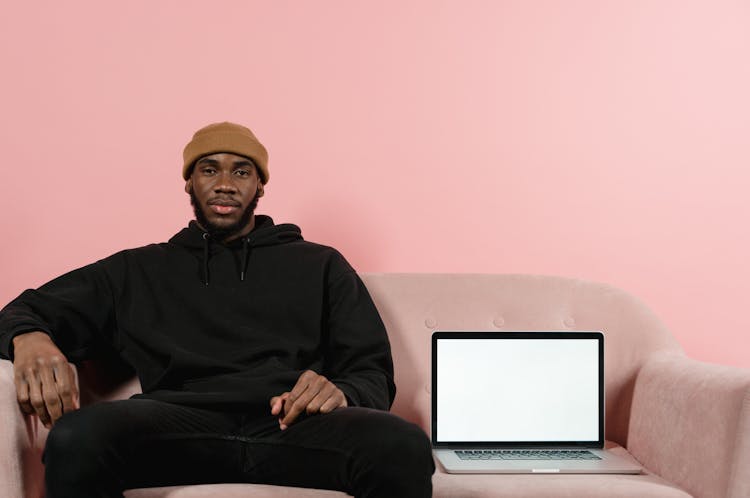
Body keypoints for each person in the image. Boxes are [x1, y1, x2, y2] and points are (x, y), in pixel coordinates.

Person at [0, 122, 434, 498]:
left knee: (402, 444)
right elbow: (25, 309)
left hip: (291, 425)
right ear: (189, 181)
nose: (225, 183)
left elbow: (371, 371)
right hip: (176, 423)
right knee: (76, 438)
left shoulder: (321, 265)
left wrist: (342, 392)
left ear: (260, 185)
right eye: (209, 169)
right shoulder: (137, 269)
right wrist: (30, 338)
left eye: (241, 171)